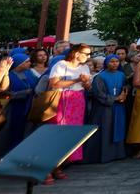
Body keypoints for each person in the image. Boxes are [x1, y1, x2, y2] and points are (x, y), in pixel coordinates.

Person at [45, 44, 93, 184]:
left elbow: (88, 87)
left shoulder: (85, 67)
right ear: (77, 53)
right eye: (86, 53)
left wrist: (85, 83)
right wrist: (77, 80)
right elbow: (54, 84)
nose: (88, 56)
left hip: (77, 100)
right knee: (57, 135)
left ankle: (57, 167)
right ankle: (47, 169)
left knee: (70, 136)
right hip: (61, 100)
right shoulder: (61, 64)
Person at [85, 54, 128, 164]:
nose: (114, 64)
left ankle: (118, 153)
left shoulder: (122, 75)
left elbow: (125, 87)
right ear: (106, 63)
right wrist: (115, 98)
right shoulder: (100, 77)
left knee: (117, 128)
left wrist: (124, 95)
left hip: (119, 107)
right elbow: (98, 94)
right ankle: (105, 155)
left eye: (117, 61)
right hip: (105, 109)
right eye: (112, 61)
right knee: (106, 130)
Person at [0, 52, 35, 158]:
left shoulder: (29, 73)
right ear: (19, 63)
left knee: (26, 132)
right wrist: (24, 93)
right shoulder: (9, 76)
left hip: (29, 107)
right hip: (15, 108)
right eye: (27, 61)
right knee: (14, 133)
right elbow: (5, 93)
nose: (29, 63)